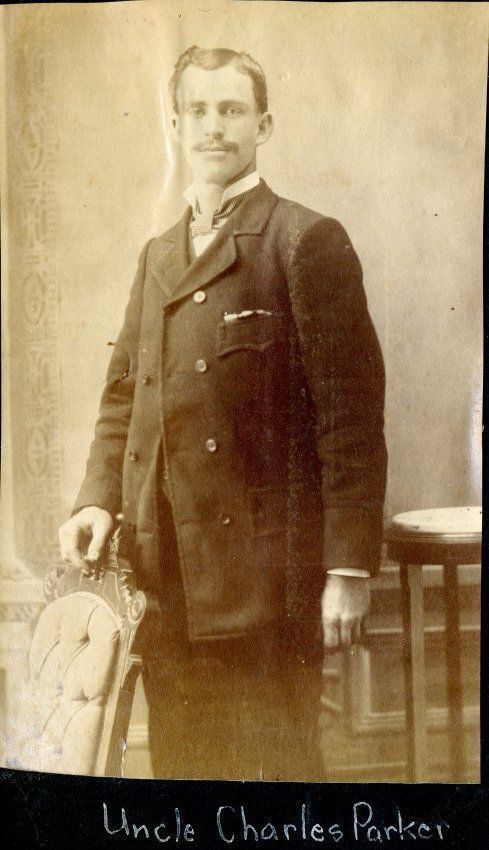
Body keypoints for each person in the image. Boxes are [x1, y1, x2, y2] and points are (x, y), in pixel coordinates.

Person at [58, 46, 387, 780]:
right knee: (183, 779)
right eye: (198, 111)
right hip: (164, 576)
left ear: (263, 125)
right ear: (175, 126)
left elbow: (352, 420)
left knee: (279, 779)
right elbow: (123, 398)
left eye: (232, 110)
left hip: (266, 585)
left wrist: (348, 569)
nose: (214, 126)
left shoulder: (303, 240)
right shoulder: (157, 256)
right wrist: (96, 499)